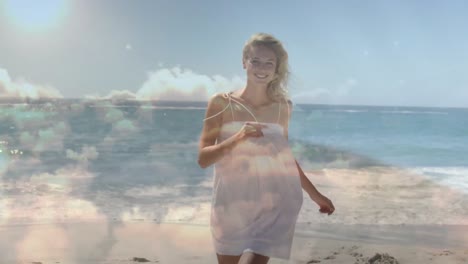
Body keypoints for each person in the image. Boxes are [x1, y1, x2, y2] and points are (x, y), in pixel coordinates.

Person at [198, 33, 335, 264]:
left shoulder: (283, 107)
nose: (261, 68)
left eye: (269, 63)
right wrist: (238, 138)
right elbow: (203, 158)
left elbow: (285, 158)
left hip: (274, 204)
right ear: (244, 62)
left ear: (277, 68)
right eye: (255, 61)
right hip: (230, 205)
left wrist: (315, 194)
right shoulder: (221, 103)